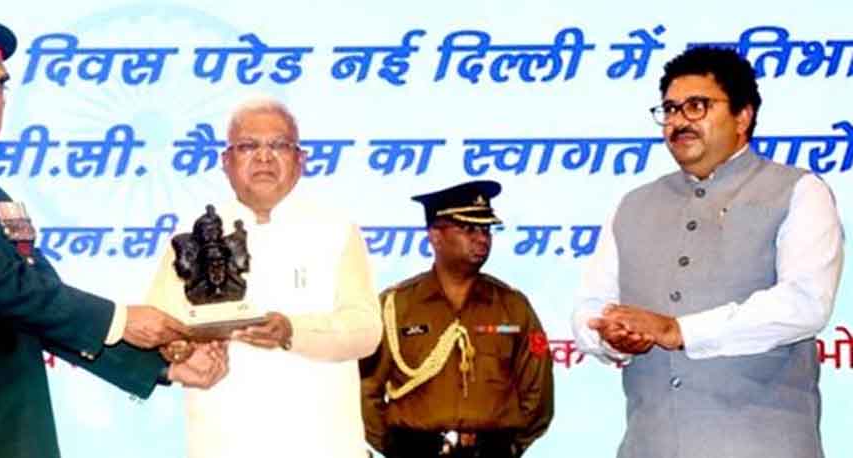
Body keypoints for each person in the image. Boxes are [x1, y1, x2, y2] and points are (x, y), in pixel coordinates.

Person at [0, 18, 227, 458]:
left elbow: (44, 305)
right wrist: (121, 319)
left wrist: (164, 368)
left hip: (1, 429)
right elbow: (9, 290)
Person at [571, 46, 844, 458]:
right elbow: (591, 305)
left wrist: (679, 331)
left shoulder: (799, 191)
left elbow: (805, 303)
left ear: (743, 116)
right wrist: (608, 336)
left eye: (697, 106)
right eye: (670, 109)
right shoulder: (634, 204)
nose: (679, 121)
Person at [145, 98, 383, 458]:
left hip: (322, 444)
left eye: (279, 145)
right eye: (248, 146)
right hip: (222, 443)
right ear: (226, 162)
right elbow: (157, 329)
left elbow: (366, 331)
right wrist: (180, 349)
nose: (264, 157)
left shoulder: (335, 231)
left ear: (300, 160)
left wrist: (292, 331)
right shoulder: (192, 238)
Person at [360, 180, 554, 458]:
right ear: (435, 236)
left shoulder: (513, 306)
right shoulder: (395, 306)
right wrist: (394, 447)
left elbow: (538, 390)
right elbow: (366, 387)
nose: (482, 239)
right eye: (469, 229)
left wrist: (509, 447)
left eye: (486, 230)